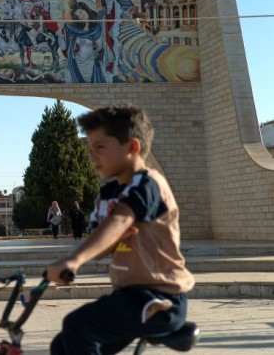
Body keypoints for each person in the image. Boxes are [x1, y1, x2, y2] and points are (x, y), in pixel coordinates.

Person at [47, 104, 195, 355]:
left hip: (160, 298)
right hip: (128, 296)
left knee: (78, 326)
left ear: (132, 147)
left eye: (100, 147)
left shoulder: (148, 184)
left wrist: (73, 260)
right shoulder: (107, 193)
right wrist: (110, 241)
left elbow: (120, 220)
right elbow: (105, 238)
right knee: (62, 346)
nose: (92, 156)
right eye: (90, 148)